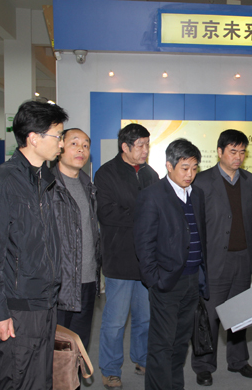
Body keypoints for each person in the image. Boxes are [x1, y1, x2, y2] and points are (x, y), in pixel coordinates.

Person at [0, 100, 67, 390]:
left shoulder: (44, 180)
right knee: (18, 379)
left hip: (45, 301)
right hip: (18, 306)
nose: (61, 144)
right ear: (34, 138)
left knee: (40, 381)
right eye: (58, 136)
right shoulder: (2, 182)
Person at [134, 139, 209, 390]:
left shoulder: (197, 194)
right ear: (169, 165)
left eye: (194, 168)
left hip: (192, 280)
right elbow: (143, 243)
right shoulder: (152, 196)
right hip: (166, 281)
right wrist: (154, 280)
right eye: (185, 168)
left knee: (180, 342)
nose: (190, 174)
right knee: (162, 344)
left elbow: (200, 235)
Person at [191, 129, 252, 386]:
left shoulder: (250, 180)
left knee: (239, 315)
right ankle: (203, 366)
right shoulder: (201, 181)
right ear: (219, 152)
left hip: (242, 258)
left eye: (242, 152)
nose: (238, 157)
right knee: (208, 317)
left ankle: (238, 361)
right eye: (233, 151)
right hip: (213, 261)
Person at [95, 124, 159, 389]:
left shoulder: (151, 174)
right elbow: (106, 213)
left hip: (146, 260)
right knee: (115, 321)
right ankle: (110, 369)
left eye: (147, 144)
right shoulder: (106, 173)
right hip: (119, 258)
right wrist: (144, 216)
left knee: (145, 318)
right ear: (125, 146)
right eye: (140, 145)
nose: (145, 150)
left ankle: (142, 359)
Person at [51, 128, 101, 351]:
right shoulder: (47, 186)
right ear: (60, 146)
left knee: (78, 348)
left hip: (87, 281)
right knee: (56, 350)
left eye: (86, 145)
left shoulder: (88, 186)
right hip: (59, 283)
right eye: (74, 143)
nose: (81, 149)